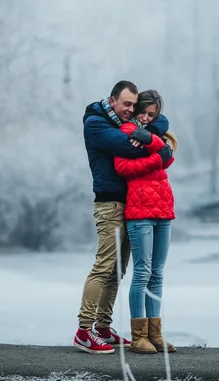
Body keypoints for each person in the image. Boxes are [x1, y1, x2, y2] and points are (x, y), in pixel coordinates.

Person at [74, 81, 170, 354]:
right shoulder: (96, 124)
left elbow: (160, 119)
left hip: (129, 206)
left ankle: (103, 327)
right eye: (126, 104)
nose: (131, 110)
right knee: (103, 268)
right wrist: (157, 146)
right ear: (113, 100)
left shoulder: (123, 121)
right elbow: (127, 147)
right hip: (109, 204)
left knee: (118, 271)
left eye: (134, 105)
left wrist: (150, 133)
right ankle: (83, 331)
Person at [114, 90, 178, 354]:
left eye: (151, 114)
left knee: (158, 273)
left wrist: (153, 145)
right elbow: (123, 168)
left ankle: (155, 334)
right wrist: (156, 157)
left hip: (163, 207)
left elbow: (169, 157)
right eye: (142, 111)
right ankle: (138, 336)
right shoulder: (127, 131)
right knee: (142, 272)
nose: (145, 117)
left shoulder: (153, 135)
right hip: (140, 209)